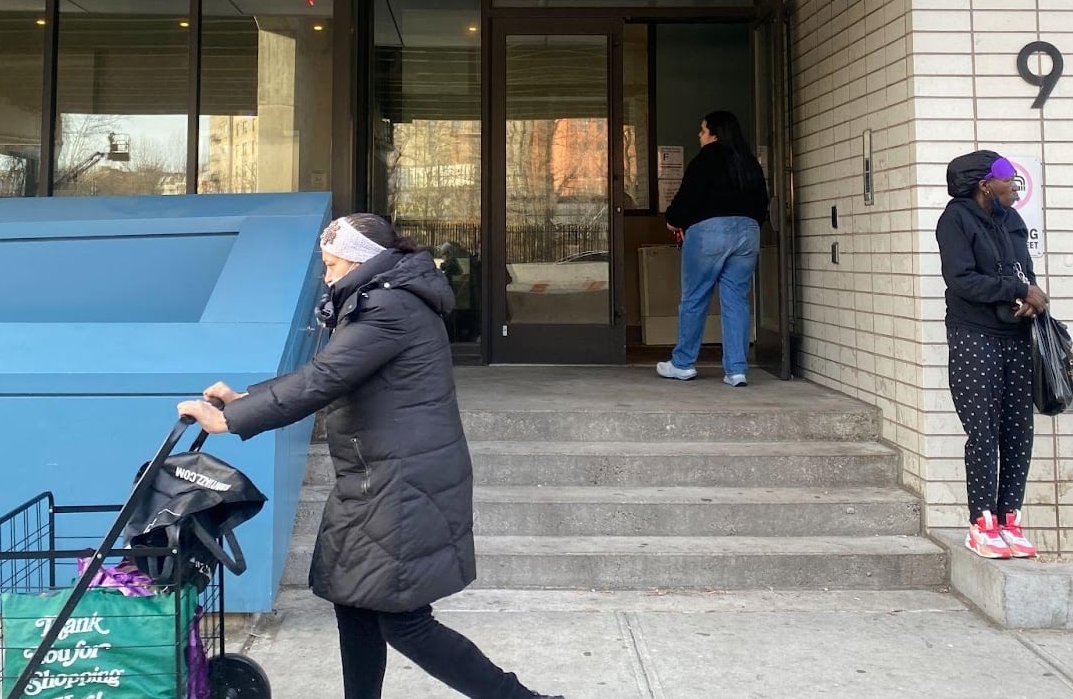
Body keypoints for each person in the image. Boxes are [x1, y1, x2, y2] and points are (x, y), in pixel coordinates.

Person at [177, 213, 566, 699]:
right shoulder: (378, 299)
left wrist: (231, 420)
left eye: (332, 264)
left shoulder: (389, 306)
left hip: (401, 482)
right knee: (354, 603)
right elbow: (327, 369)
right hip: (374, 477)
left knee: (404, 621)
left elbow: (323, 379)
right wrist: (245, 400)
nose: (326, 276)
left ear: (360, 261)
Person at [935, 150, 1048, 560]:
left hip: (1015, 333)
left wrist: (1031, 298)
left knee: (1018, 429)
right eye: (1007, 180)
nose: (1014, 188)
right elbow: (961, 280)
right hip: (973, 333)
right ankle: (982, 523)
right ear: (985, 185)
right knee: (983, 431)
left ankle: (1009, 520)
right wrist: (1016, 290)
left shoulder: (1012, 220)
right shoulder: (955, 220)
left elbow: (1024, 273)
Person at [655, 110, 769, 387]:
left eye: (703, 130)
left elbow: (687, 198)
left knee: (694, 298)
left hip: (709, 233)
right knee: (736, 299)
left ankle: (683, 363)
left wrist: (673, 220)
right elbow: (762, 203)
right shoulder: (749, 163)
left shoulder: (704, 160)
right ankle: (736, 370)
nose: (699, 135)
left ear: (714, 134)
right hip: (748, 233)